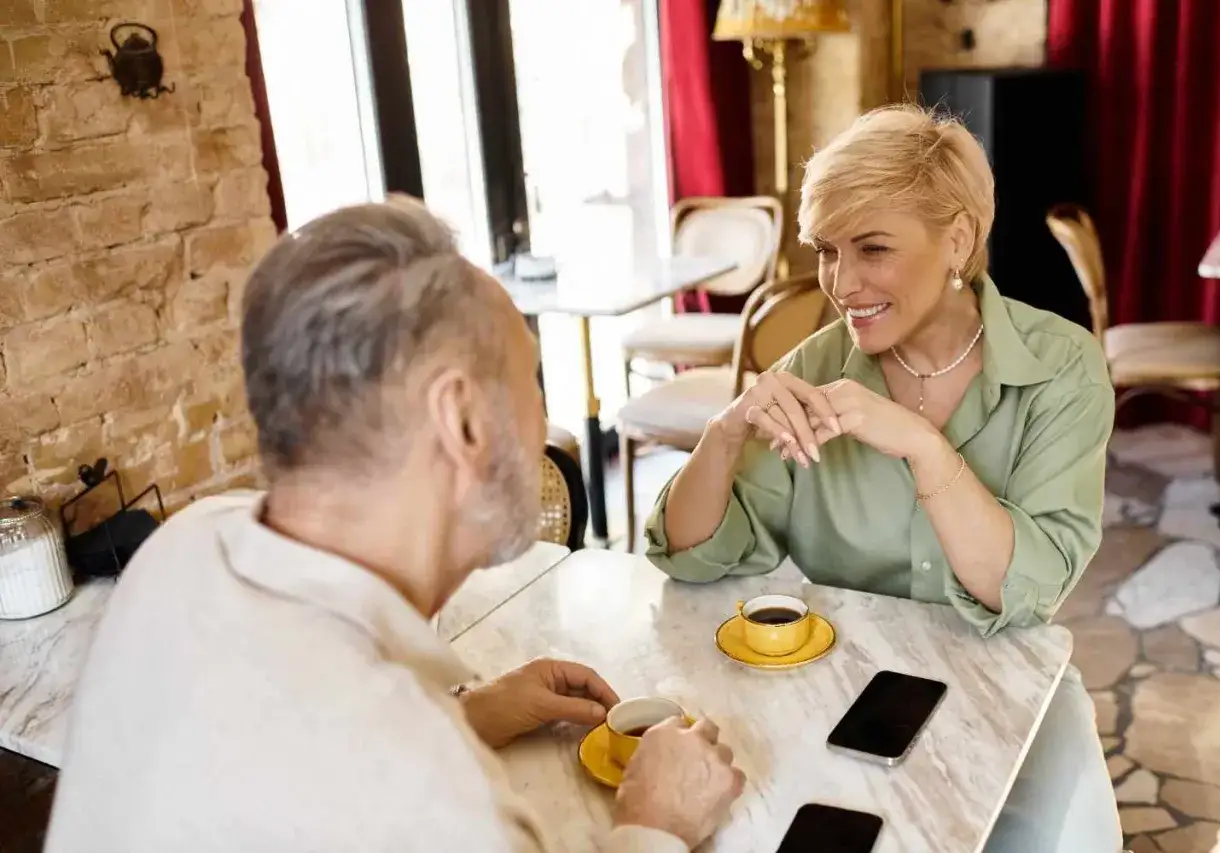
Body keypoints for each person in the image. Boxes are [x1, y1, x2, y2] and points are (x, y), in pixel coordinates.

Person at [45, 197, 743, 853]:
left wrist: (468, 712)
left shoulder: (183, 544)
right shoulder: (435, 801)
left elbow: (288, 762)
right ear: (462, 420)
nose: (540, 418)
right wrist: (656, 821)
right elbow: (371, 783)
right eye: (531, 380)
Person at [646, 105, 1123, 853]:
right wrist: (723, 430)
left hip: (1010, 683)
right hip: (837, 688)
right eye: (827, 250)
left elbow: (1023, 587)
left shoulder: (1062, 367)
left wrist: (925, 449)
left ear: (958, 239)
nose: (841, 282)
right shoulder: (811, 367)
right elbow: (696, 555)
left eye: (872, 248)